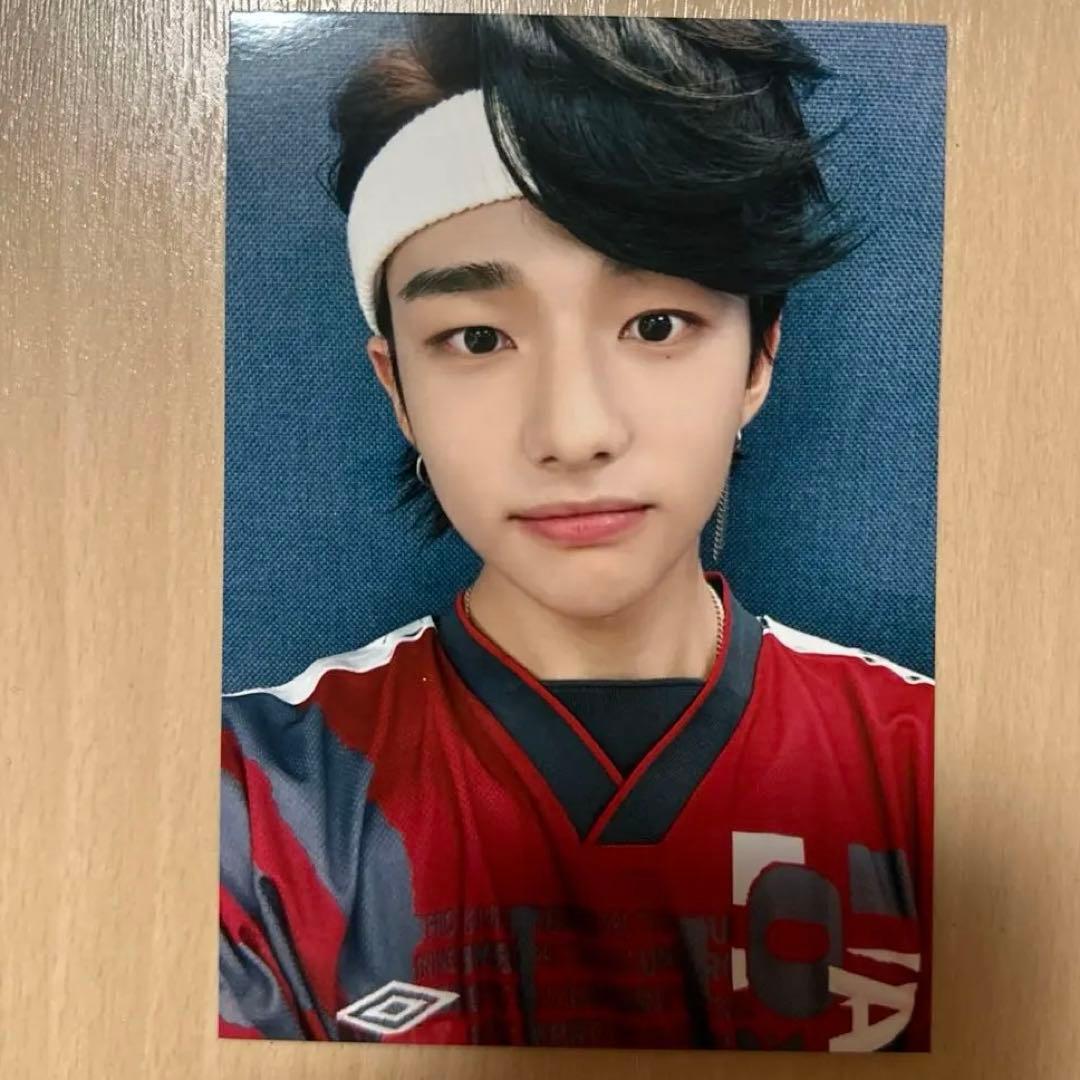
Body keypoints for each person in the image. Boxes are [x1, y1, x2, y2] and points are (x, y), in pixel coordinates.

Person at [219, 14, 934, 1051]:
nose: (572, 432)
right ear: (398, 387)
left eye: (656, 324)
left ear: (758, 359)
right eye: (477, 337)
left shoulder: (941, 770)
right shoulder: (243, 806)